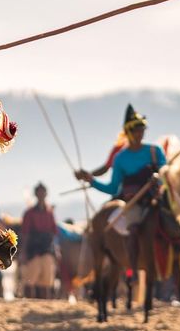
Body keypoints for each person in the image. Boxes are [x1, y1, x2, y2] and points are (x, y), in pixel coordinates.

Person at [74, 104, 167, 278]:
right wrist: (91, 180)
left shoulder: (155, 151)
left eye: (142, 130)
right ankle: (132, 268)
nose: (140, 134)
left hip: (159, 199)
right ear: (128, 132)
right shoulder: (120, 156)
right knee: (132, 229)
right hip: (135, 203)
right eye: (136, 131)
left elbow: (167, 173)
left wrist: (158, 177)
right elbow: (112, 186)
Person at [20, 183, 58, 299]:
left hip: (47, 249)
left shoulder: (49, 212)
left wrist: (56, 249)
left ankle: (44, 304)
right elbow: (25, 234)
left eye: (43, 192)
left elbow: (54, 232)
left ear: (46, 194)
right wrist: (24, 252)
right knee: (30, 281)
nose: (41, 194)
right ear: (36, 194)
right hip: (33, 249)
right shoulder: (29, 213)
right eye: (39, 192)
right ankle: (29, 303)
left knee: (46, 283)